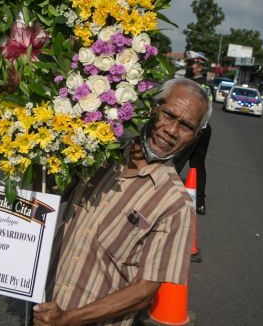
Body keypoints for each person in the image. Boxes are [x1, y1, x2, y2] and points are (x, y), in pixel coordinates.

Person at [33, 78, 211, 326]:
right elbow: (48, 193)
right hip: (42, 310)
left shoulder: (176, 205)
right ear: (151, 107)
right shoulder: (100, 152)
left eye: (185, 126)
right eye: (169, 115)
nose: (171, 130)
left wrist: (68, 319)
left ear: (195, 136)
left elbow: (144, 291)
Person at [175, 52, 213, 215]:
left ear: (200, 67)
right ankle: (200, 202)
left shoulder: (201, 86)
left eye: (192, 64)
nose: (190, 67)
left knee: (178, 160)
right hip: (198, 128)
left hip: (197, 129)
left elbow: (207, 110)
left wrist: (194, 130)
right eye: (189, 64)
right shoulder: (189, 82)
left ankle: (165, 194)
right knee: (197, 165)